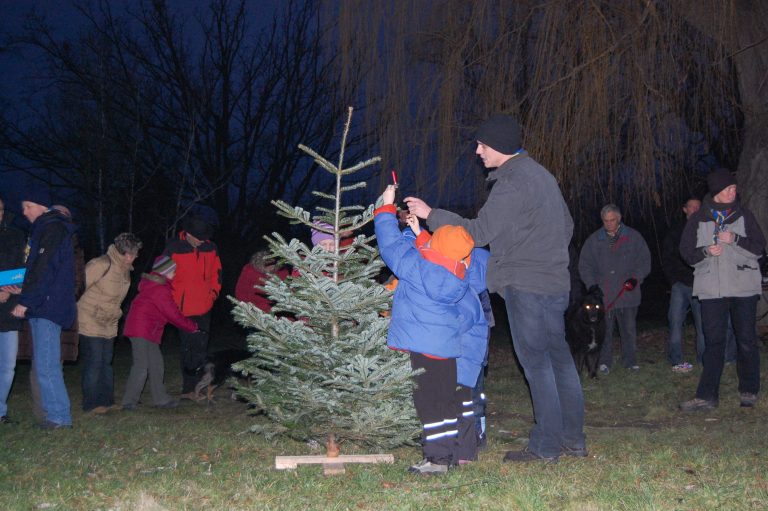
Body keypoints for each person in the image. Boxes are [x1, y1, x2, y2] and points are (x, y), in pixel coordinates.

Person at [405, 113, 585, 463]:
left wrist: (432, 215)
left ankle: (546, 448)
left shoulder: (513, 181)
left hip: (527, 285)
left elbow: (477, 233)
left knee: (538, 364)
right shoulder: (543, 176)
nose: (477, 151)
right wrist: (539, 253)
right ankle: (572, 440)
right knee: (559, 360)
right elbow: (567, 225)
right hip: (554, 282)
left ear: (499, 146)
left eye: (482, 145)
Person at [376, 184, 489, 474]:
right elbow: (434, 252)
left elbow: (391, 246)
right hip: (447, 350)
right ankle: (450, 453)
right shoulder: (457, 275)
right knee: (446, 401)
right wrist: (418, 231)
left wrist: (386, 208)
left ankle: (436, 459)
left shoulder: (416, 269)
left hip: (424, 349)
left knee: (428, 404)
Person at [679, 168, 766, 411]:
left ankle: (749, 390)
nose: (733, 192)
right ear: (716, 191)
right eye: (728, 189)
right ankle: (707, 395)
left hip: (743, 288)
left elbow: (760, 249)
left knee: (746, 339)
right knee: (714, 341)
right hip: (712, 290)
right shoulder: (699, 219)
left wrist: (735, 240)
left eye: (734, 188)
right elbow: (686, 253)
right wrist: (706, 251)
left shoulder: (744, 216)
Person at [8, 188, 76, 429]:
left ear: (41, 205)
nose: (24, 212)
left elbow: (45, 269)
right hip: (43, 302)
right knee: (44, 364)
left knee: (47, 365)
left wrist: (26, 301)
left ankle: (59, 417)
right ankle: (54, 415)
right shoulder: (44, 229)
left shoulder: (52, 228)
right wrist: (23, 290)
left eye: (28, 206)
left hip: (48, 305)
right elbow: (37, 269)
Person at [579, 204, 651, 373]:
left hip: (628, 294)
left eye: (612, 220)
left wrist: (636, 278)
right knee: (605, 331)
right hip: (604, 296)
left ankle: (630, 361)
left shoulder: (634, 237)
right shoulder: (594, 240)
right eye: (605, 221)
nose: (609, 224)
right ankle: (604, 362)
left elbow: (644, 261)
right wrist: (592, 285)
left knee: (628, 330)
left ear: (619, 219)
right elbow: (585, 265)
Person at [121, 256, 198, 410]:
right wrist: (192, 327)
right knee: (141, 365)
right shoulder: (159, 289)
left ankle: (161, 399)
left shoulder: (156, 286)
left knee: (156, 364)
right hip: (140, 330)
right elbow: (172, 314)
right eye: (174, 271)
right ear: (165, 271)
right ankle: (129, 402)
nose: (176, 274)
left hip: (148, 330)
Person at [77, 233, 142, 413]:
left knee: (106, 362)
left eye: (134, 253)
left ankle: (106, 401)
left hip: (109, 322)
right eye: (130, 253)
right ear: (123, 251)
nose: (132, 256)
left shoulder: (125, 270)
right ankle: (91, 404)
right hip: (90, 319)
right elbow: (78, 288)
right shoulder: (100, 264)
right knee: (94, 362)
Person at [163, 207, 221, 398]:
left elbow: (217, 275)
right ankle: (188, 389)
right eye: (198, 237)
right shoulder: (173, 248)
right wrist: (170, 302)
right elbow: (160, 277)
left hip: (204, 307)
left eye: (203, 237)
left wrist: (212, 294)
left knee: (201, 348)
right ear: (187, 233)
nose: (201, 240)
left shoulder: (210, 248)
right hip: (182, 309)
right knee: (188, 348)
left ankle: (201, 386)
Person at [662, 198, 704, 373]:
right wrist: (673, 280)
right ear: (684, 209)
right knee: (675, 321)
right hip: (680, 285)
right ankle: (676, 359)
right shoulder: (676, 231)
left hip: (701, 284)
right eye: (691, 207)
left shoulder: (706, 229)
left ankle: (704, 359)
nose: (694, 209)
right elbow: (667, 257)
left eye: (698, 207)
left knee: (703, 325)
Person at [0, 196, 26, 424]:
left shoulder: (16, 236)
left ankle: (0, 411)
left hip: (8, 312)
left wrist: (14, 290)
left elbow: (24, 271)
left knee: (8, 366)